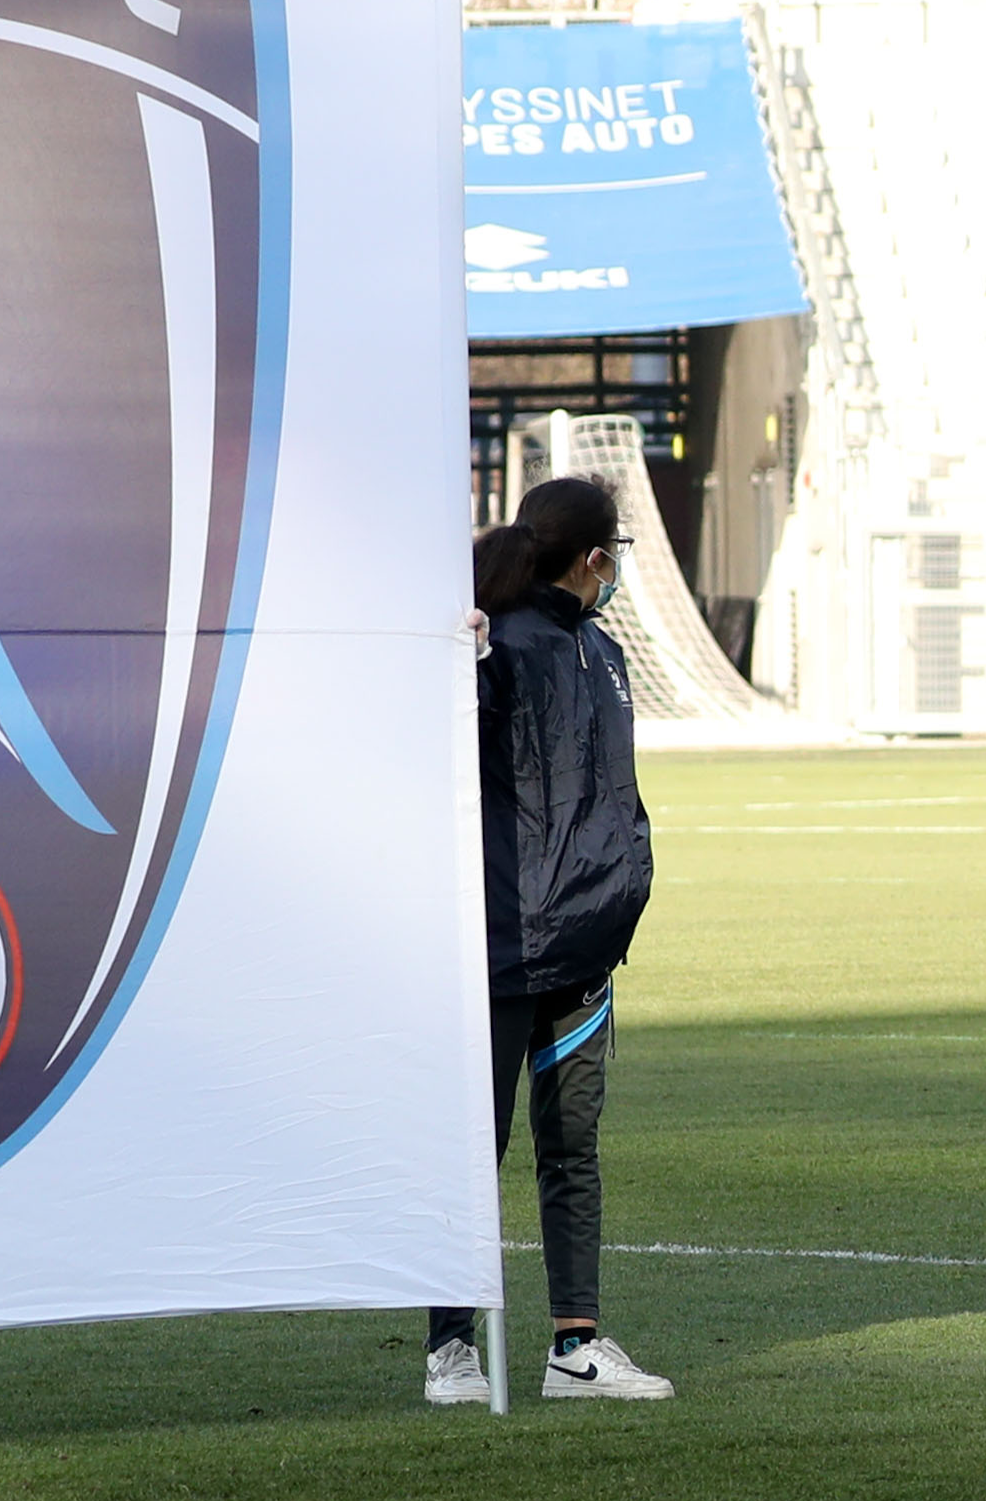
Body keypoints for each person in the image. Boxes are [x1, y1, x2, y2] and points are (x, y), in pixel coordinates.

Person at [424, 475, 671, 1406]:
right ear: (593, 556)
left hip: (584, 947)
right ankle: (451, 1347)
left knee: (572, 1148)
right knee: (472, 1147)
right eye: (618, 557)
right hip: (498, 947)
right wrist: (463, 661)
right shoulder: (500, 649)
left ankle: (577, 1345)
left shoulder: (604, 653)